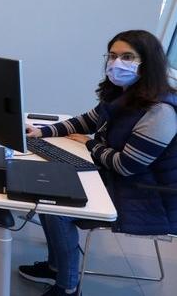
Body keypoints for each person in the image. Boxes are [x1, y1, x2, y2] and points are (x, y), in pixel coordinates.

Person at [18, 30, 177, 296]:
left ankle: (67, 287)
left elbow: (126, 166)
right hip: (120, 179)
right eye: (113, 56)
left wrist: (90, 144)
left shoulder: (160, 111)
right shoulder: (122, 93)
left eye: (128, 57)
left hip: (144, 194)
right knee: (46, 191)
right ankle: (56, 267)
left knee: (57, 206)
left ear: (148, 62)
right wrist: (42, 132)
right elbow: (86, 120)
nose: (117, 63)